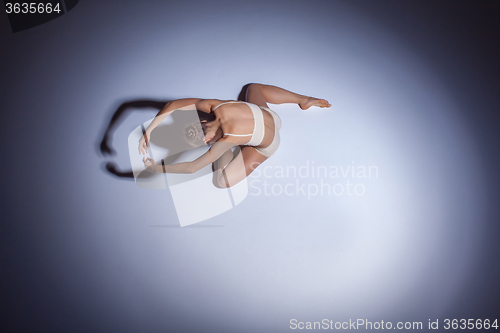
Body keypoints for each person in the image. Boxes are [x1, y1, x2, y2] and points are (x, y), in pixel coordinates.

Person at [139, 83, 331, 188]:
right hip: (272, 117)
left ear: (206, 141)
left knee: (222, 182)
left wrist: (156, 169)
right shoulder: (217, 106)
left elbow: (191, 168)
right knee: (253, 87)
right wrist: (149, 130)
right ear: (202, 121)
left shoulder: (226, 140)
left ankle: (246, 146)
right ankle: (303, 100)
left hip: (269, 144)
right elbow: (173, 104)